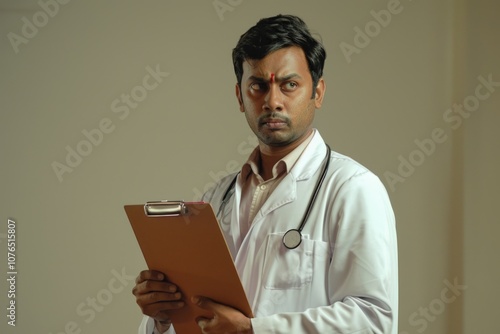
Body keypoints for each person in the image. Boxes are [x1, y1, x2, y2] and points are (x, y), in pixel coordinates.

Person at [132, 14, 398, 334]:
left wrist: (253, 330)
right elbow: (199, 318)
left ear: (318, 92)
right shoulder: (215, 198)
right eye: (258, 86)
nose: (272, 101)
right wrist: (163, 317)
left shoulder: (353, 189)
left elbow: (373, 321)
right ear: (240, 97)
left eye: (289, 85)